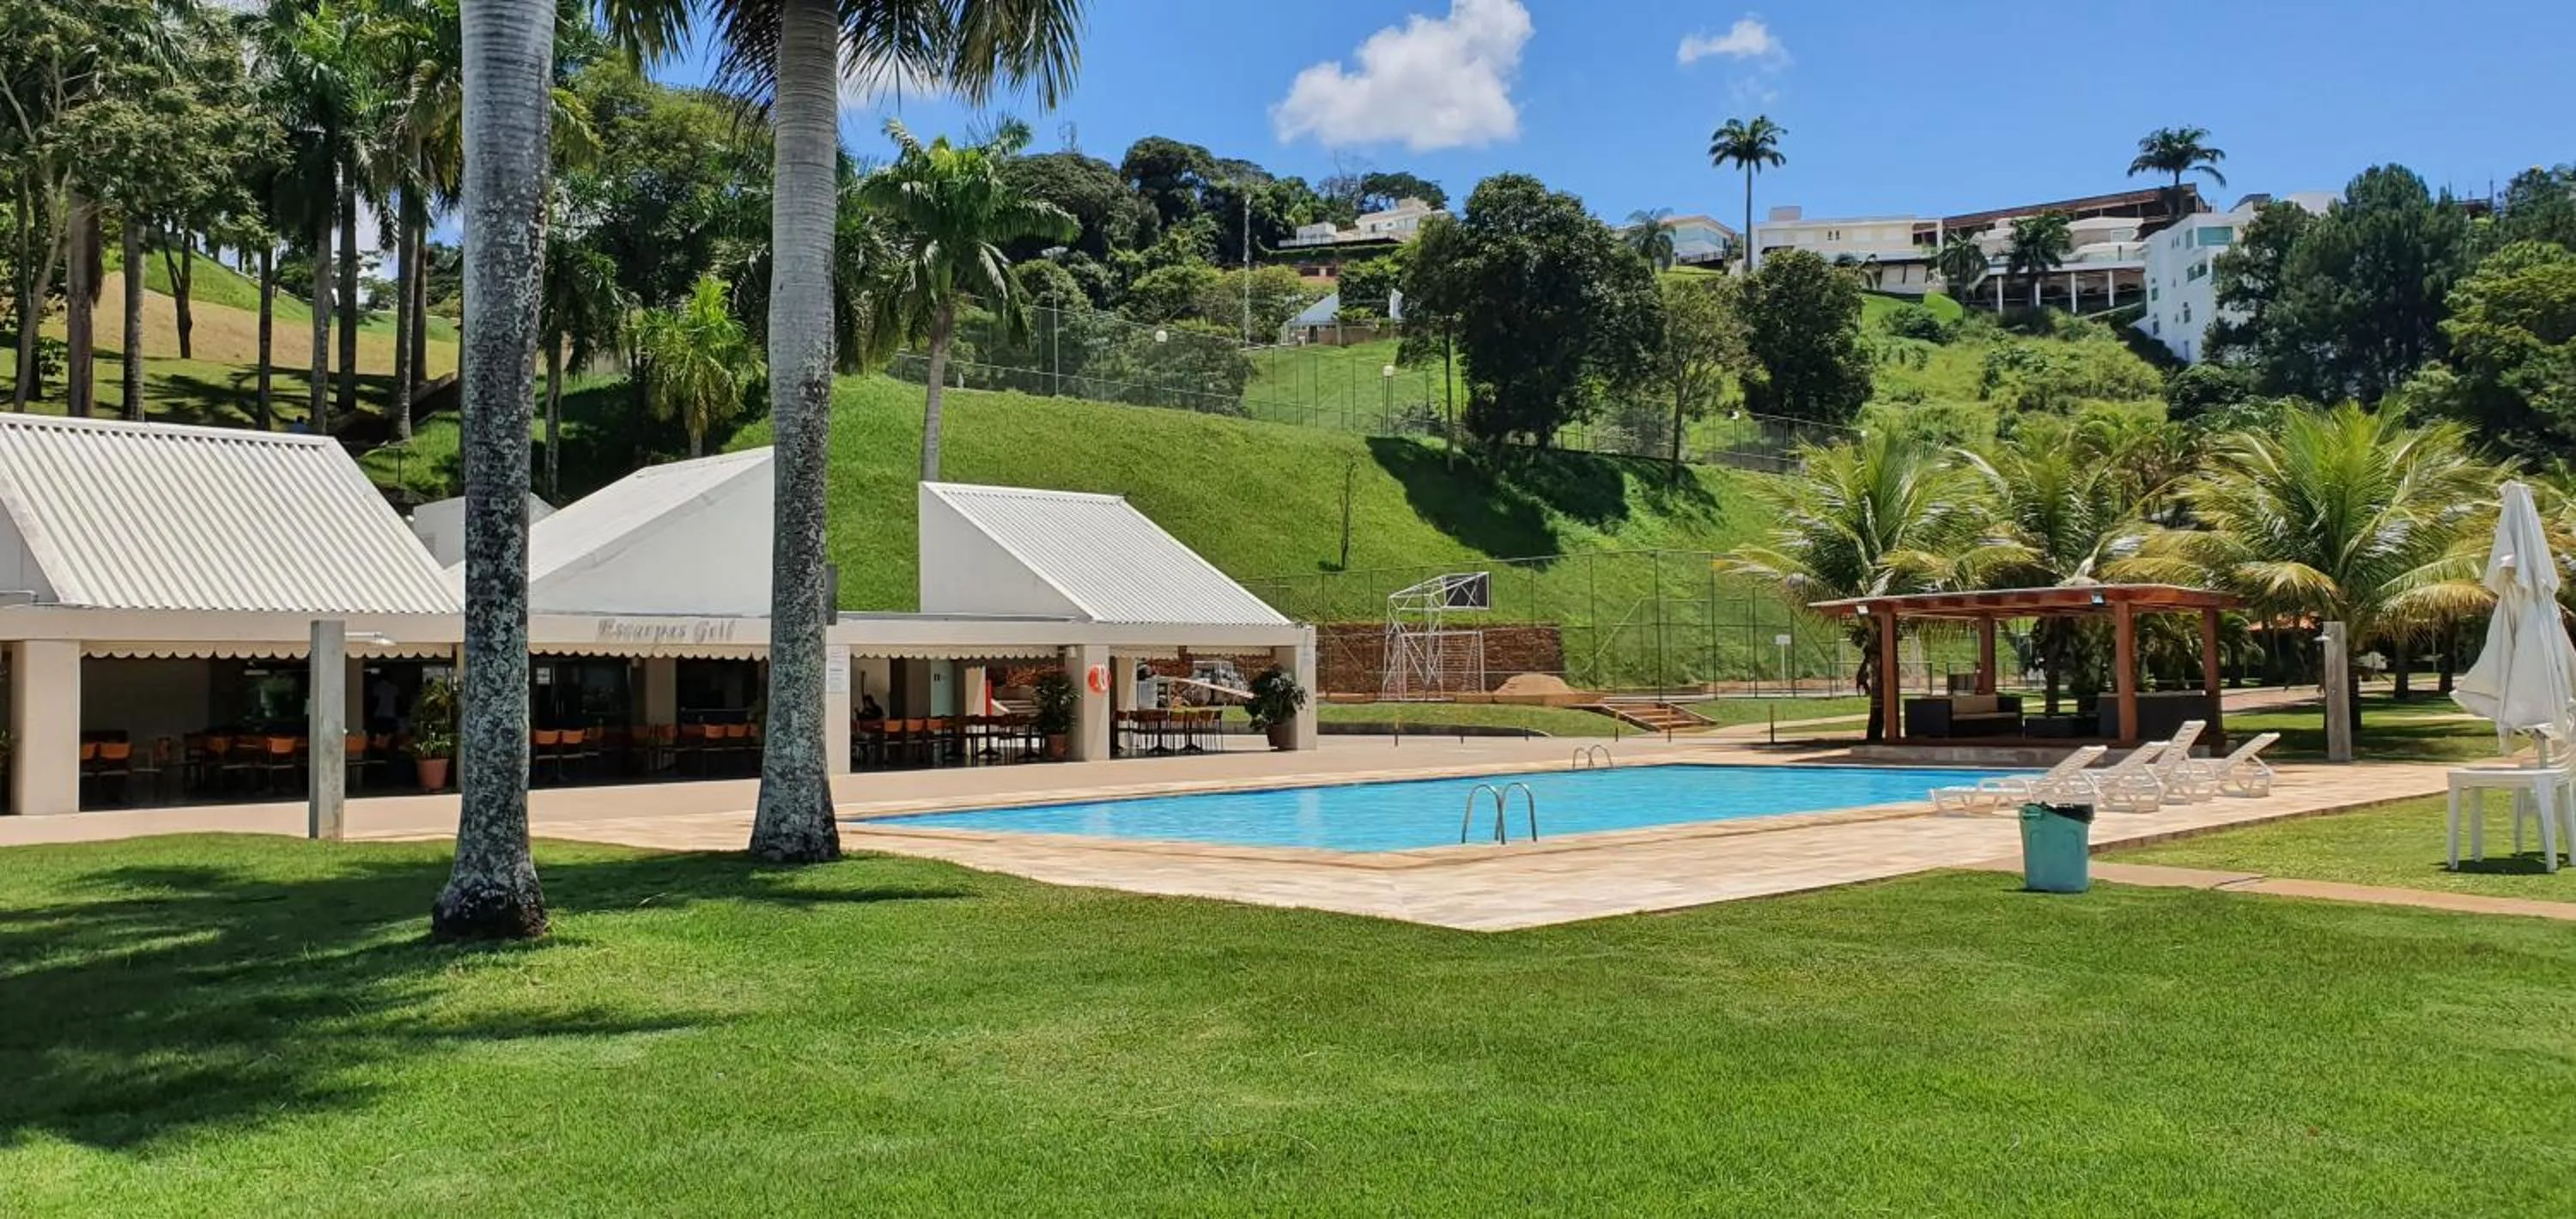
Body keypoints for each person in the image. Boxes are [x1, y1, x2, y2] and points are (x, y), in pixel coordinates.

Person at [367, 672, 403, 736]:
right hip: (391, 715)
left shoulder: (377, 687)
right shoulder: (394, 688)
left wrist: (371, 714)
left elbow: (375, 702)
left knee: (380, 735)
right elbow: (398, 702)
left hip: (379, 715)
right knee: (390, 736)